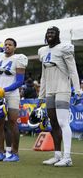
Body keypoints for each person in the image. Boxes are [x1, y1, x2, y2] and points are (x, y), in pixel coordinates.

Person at [38, 26, 81, 167]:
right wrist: (41, 95)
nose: (50, 34)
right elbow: (43, 76)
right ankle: (57, 155)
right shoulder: (43, 51)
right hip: (50, 90)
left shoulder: (64, 48)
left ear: (58, 35)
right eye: (48, 32)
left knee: (63, 122)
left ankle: (67, 157)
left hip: (63, 89)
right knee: (53, 123)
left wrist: (78, 90)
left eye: (53, 33)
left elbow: (73, 70)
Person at [0, 38, 28, 162]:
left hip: (12, 94)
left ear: (15, 47)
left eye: (10, 45)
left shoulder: (19, 58)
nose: (7, 46)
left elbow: (19, 81)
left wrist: (5, 89)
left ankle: (15, 153)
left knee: (12, 123)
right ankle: (1, 153)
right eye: (6, 44)